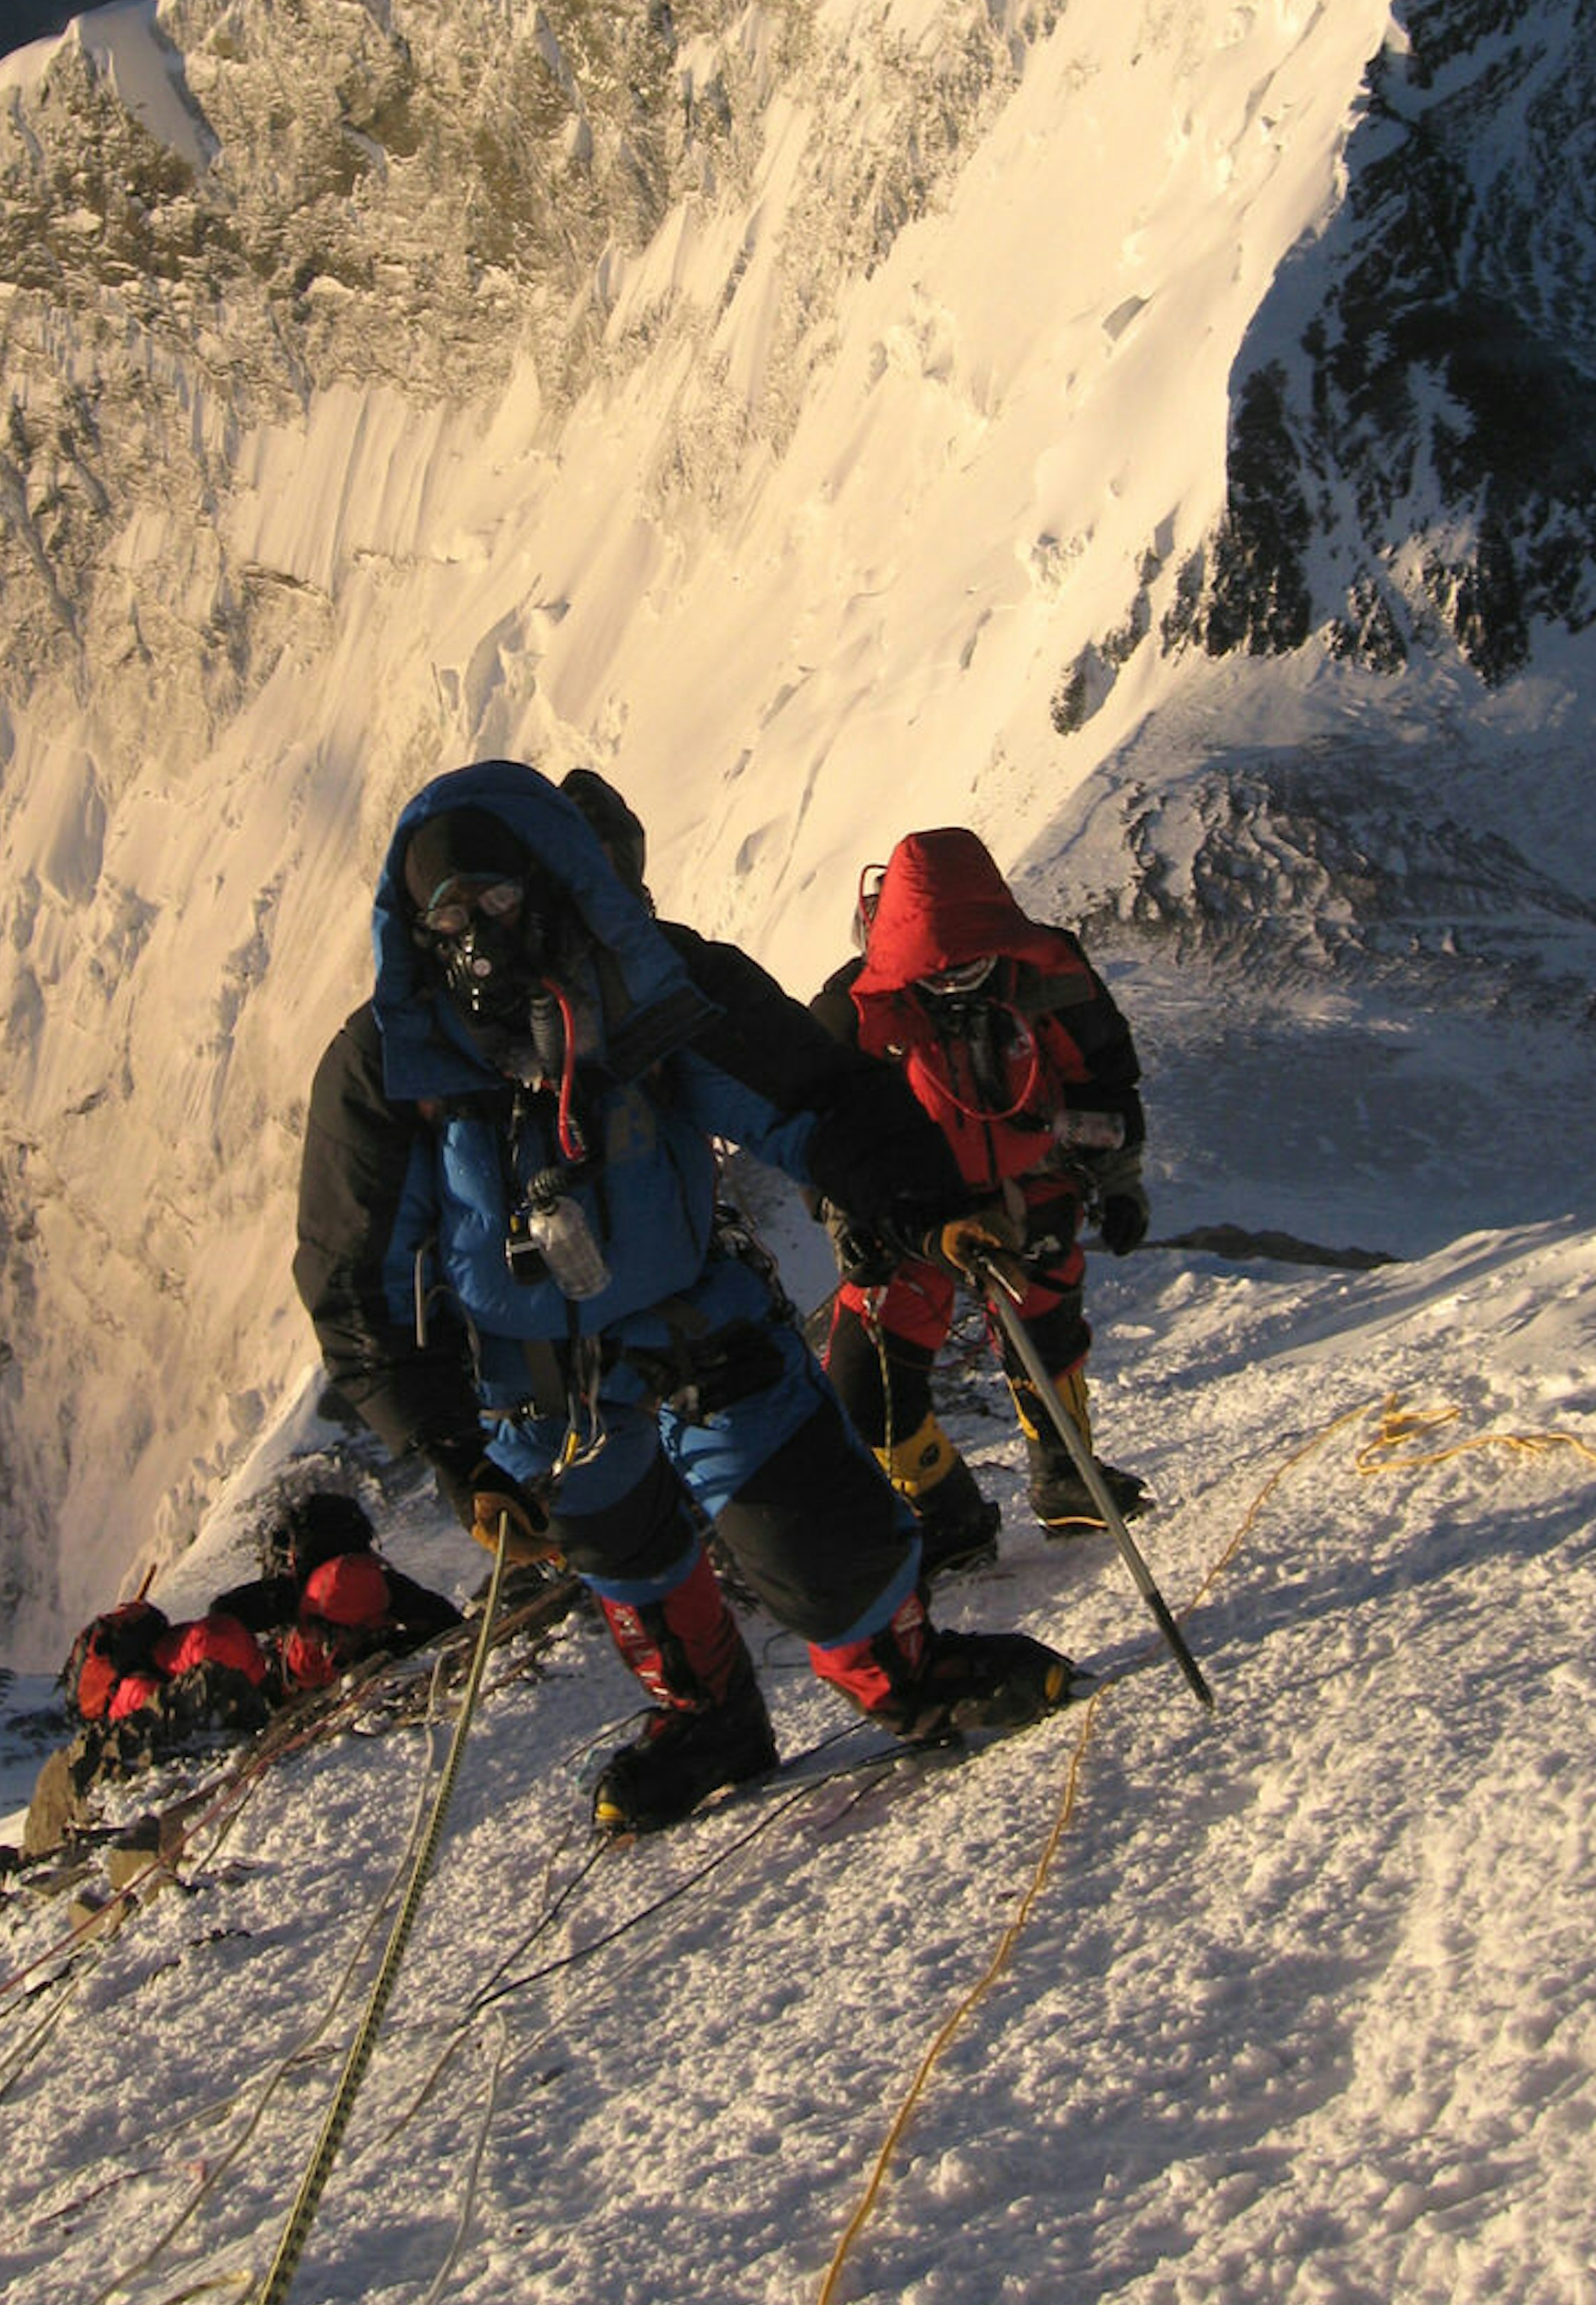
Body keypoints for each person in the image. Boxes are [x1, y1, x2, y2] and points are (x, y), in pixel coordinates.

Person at [290, 763, 1080, 1833]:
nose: (477, 932)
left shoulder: (650, 990)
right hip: (535, 1390)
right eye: (450, 911)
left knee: (811, 1523)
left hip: (687, 1321)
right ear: (414, 921)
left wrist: (924, 1206)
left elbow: (813, 1103)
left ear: (554, 882)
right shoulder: (391, 1064)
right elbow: (358, 1282)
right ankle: (708, 1718)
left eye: (499, 899)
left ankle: (907, 1672)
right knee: (621, 1552)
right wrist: (455, 1457)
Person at [813, 827, 1152, 1566]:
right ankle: (947, 1513)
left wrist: (1119, 1181)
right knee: (867, 1385)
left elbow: (1105, 1081)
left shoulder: (1049, 978)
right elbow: (817, 1128)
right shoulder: (855, 1010)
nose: (956, 975)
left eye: (971, 959)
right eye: (939, 965)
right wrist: (848, 1216)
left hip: (1032, 1188)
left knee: (1051, 1338)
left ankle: (1065, 1478)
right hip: (914, 1218)